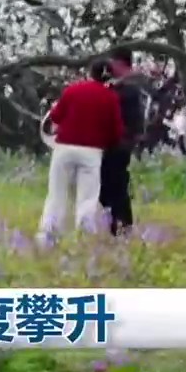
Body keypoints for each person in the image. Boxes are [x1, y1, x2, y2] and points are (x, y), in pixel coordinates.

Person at [37, 58, 124, 242]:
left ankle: (48, 233)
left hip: (65, 148)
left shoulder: (73, 90)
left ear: (90, 73)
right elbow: (116, 131)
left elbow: (56, 116)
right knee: (87, 197)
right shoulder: (111, 97)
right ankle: (84, 235)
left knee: (57, 192)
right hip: (92, 152)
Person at [102, 47, 145, 235]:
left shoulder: (128, 87)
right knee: (113, 184)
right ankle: (118, 224)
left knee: (115, 184)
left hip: (119, 142)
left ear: (119, 63)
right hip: (121, 141)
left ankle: (121, 225)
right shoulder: (127, 85)